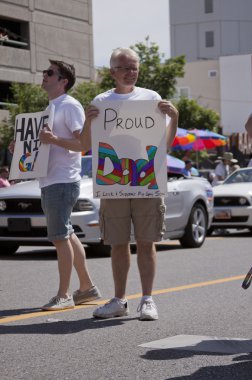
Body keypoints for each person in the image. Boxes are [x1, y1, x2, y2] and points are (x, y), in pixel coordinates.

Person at [40, 48, 178, 320]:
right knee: (117, 243)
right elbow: (86, 145)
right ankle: (119, 300)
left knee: (146, 241)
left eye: (134, 67)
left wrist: (174, 118)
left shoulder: (151, 99)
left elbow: (166, 144)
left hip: (145, 179)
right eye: (125, 67)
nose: (131, 72)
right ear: (112, 71)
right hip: (115, 180)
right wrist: (90, 122)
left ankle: (148, 300)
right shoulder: (101, 101)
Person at [35, 60, 101, 311]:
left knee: (60, 238)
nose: (44, 75)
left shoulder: (70, 106)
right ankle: (86, 288)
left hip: (62, 180)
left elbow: (82, 144)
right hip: (53, 180)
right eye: (45, 71)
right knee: (67, 234)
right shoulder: (53, 106)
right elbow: (47, 144)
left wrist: (53, 139)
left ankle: (63, 295)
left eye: (49, 72)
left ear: (63, 81)